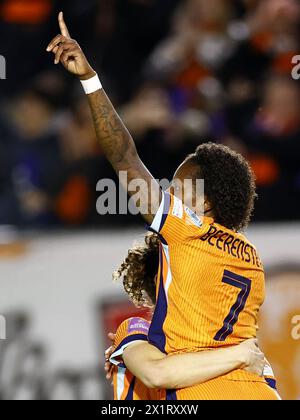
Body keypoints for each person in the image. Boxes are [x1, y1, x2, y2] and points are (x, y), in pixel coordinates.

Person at [47, 13, 280, 400]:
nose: (168, 193)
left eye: (178, 186)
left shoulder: (187, 228)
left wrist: (90, 80)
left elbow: (124, 159)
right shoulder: (252, 259)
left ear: (204, 200)